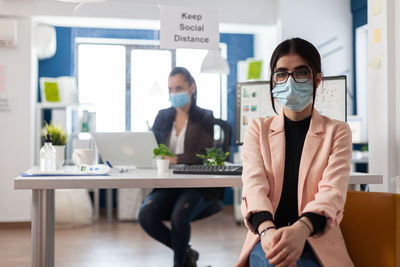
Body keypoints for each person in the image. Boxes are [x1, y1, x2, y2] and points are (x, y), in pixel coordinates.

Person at [235, 38, 354, 267]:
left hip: (315, 239)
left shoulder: (337, 131)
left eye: (301, 73)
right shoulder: (258, 129)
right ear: (273, 81)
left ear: (317, 80)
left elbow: (332, 193)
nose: (289, 81)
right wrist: (268, 231)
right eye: (281, 74)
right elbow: (254, 188)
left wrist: (300, 230)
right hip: (267, 236)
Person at [138, 67, 225, 267]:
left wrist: (175, 159)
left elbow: (204, 153)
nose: (173, 93)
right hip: (168, 184)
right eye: (170, 89)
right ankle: (187, 254)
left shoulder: (205, 116)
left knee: (179, 216)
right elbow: (151, 147)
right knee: (146, 215)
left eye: (178, 88)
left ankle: (179, 263)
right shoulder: (163, 116)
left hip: (197, 184)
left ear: (191, 87)